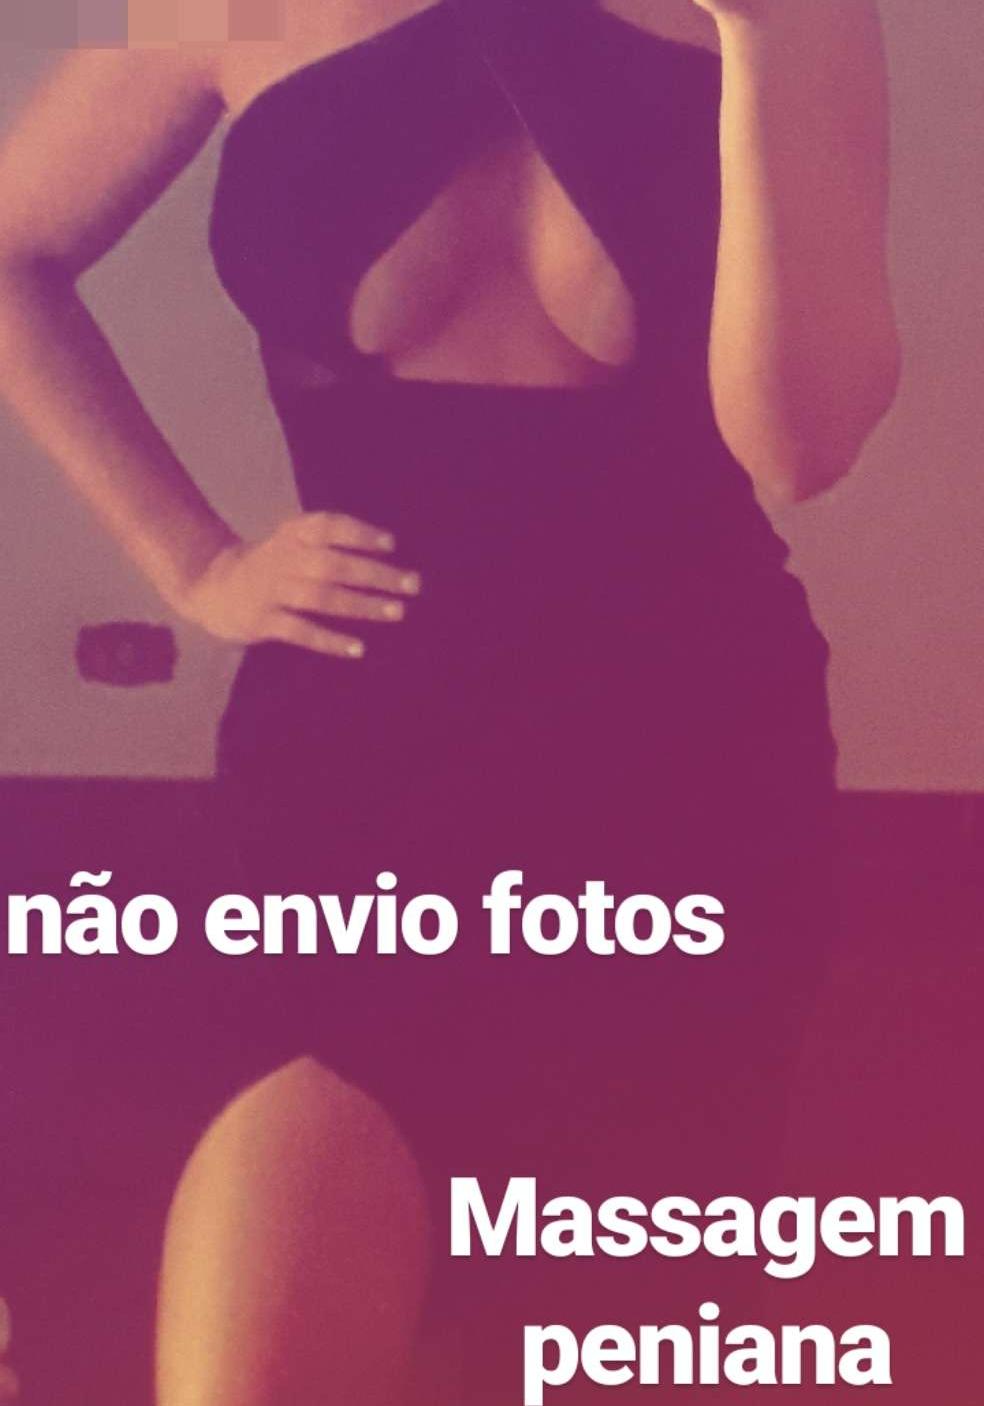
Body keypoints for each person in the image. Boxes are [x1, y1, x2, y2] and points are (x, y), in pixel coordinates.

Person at [0, 0, 899, 1400]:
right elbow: (12, 251)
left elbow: (801, 447)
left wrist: (761, 27)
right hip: (354, 768)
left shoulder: (798, 17)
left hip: (682, 776)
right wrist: (194, 560)